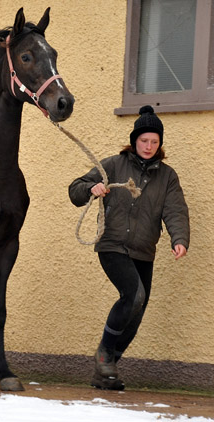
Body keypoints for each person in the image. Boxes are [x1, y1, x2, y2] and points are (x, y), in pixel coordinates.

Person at [68, 105, 190, 390]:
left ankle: (106, 368)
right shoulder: (112, 165)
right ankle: (104, 355)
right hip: (112, 245)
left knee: (137, 310)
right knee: (134, 295)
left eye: (154, 142)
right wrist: (91, 189)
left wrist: (179, 239)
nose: (148, 146)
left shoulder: (167, 176)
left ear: (160, 144)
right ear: (135, 140)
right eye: (144, 140)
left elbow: (175, 211)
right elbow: (75, 189)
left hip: (143, 251)